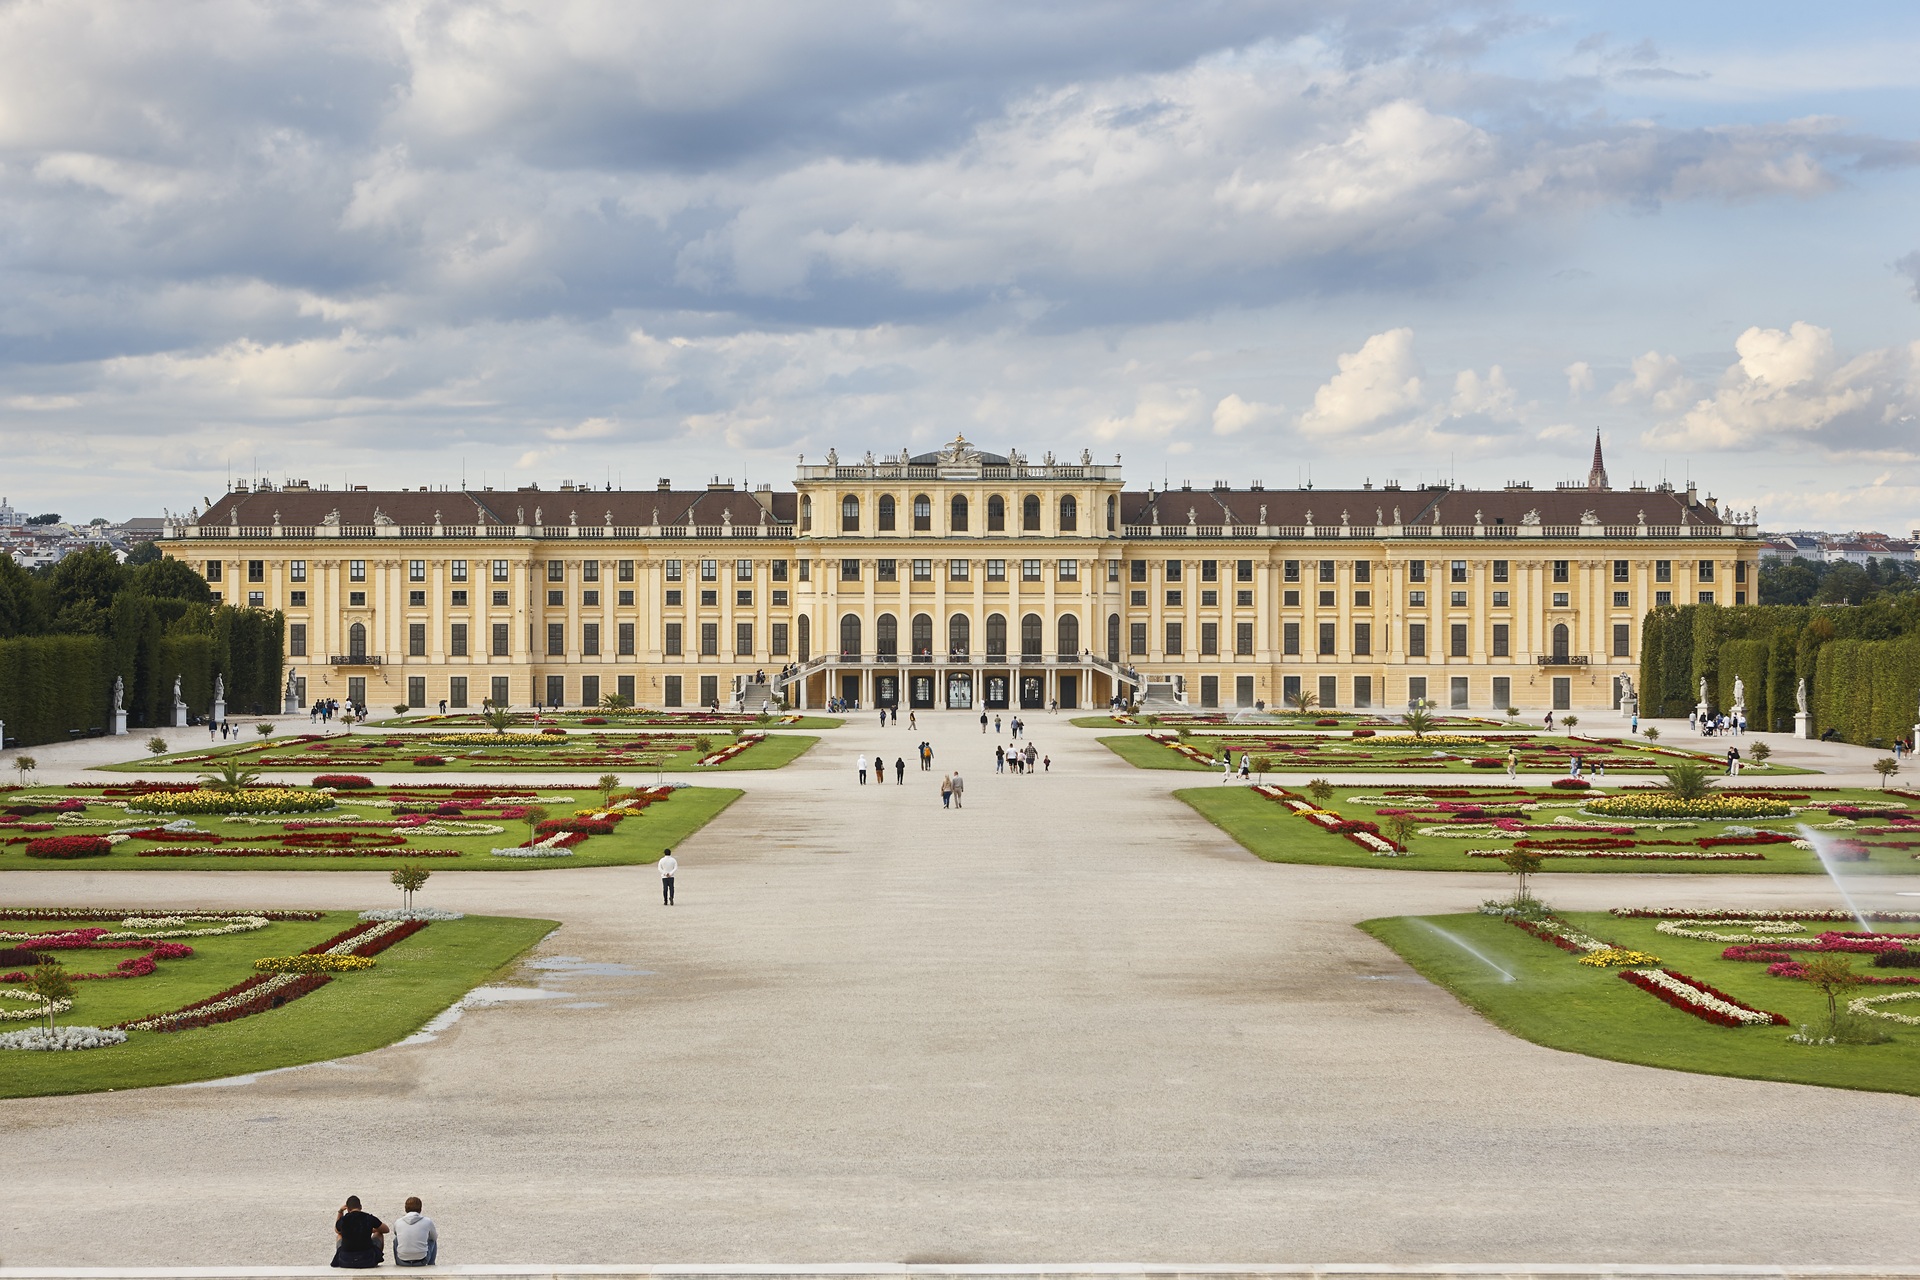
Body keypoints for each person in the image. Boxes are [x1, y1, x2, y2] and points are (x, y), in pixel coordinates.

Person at [331, 1196, 388, 1269]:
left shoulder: (344, 1220)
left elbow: (337, 1230)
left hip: (345, 1261)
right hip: (367, 1260)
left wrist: (340, 1212)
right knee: (379, 1233)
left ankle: (343, 1255)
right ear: (360, 1206)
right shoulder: (368, 1217)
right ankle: (377, 1259)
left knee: (339, 1235)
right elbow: (386, 1229)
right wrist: (369, 1229)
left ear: (348, 1209)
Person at [391, 1198, 437, 1267]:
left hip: (402, 1261)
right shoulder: (427, 1221)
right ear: (420, 1208)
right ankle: (431, 1264)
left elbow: (396, 1234)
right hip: (422, 1261)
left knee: (396, 1240)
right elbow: (434, 1237)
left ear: (405, 1208)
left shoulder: (398, 1222)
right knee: (432, 1240)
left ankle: (397, 1263)